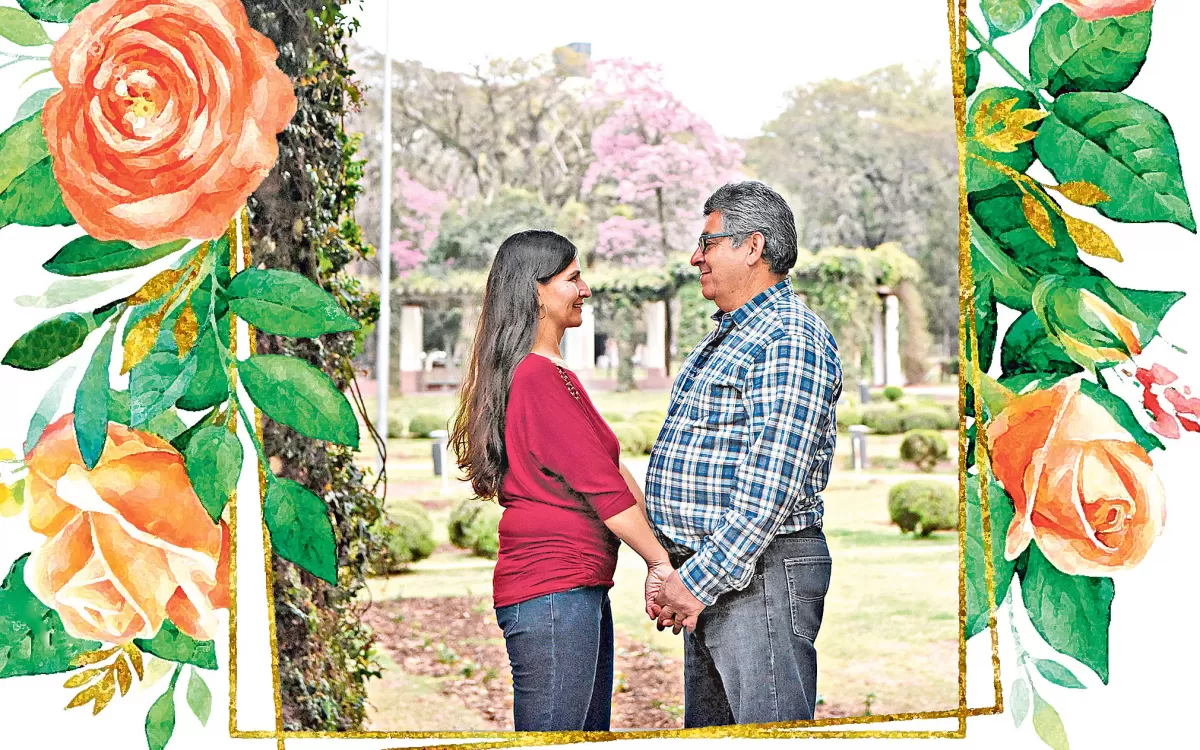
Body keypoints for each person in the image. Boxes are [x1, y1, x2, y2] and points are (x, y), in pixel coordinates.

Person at [450, 229, 674, 732]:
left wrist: (668, 556)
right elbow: (603, 489)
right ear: (536, 290)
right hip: (553, 591)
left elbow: (613, 472)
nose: (586, 289)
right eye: (574, 278)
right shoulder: (536, 378)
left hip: (575, 588)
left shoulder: (549, 373)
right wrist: (658, 563)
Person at [645, 181, 843, 726]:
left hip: (759, 575)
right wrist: (669, 565)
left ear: (752, 247)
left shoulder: (786, 338)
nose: (695, 258)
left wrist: (693, 581)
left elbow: (769, 488)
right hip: (720, 573)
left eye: (708, 243)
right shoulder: (733, 336)